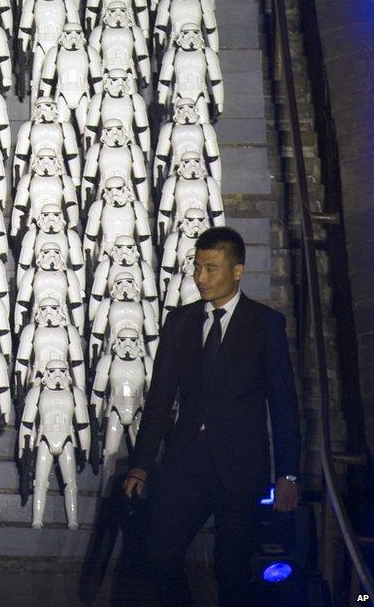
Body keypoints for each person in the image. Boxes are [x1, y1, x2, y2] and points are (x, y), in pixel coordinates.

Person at [124, 225, 301, 606]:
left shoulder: (265, 325)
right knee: (160, 553)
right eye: (197, 267)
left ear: (237, 271)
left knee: (232, 569)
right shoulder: (181, 322)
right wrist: (140, 465)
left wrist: (288, 473)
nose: (199, 278)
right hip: (188, 461)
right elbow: (159, 399)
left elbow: (284, 403)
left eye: (210, 268)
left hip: (241, 466)